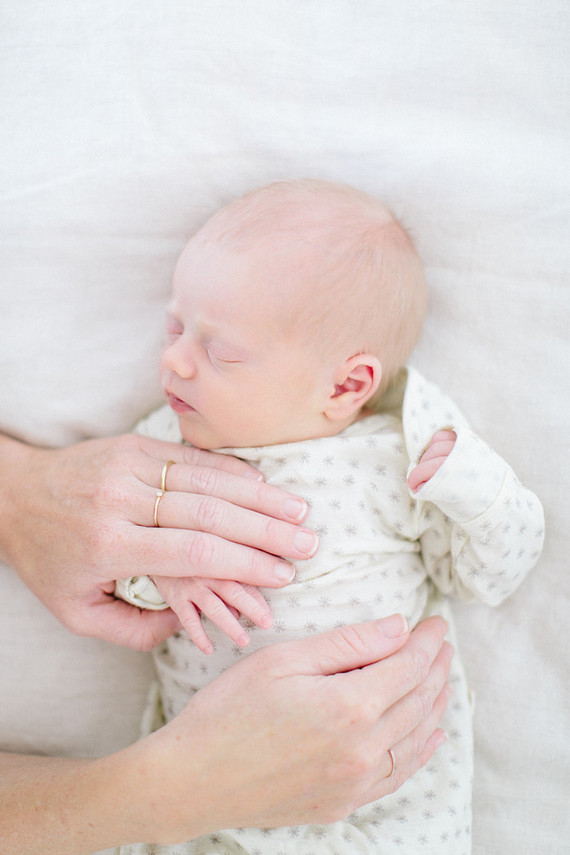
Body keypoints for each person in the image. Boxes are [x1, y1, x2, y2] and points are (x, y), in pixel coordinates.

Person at [115, 179, 545, 854]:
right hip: (207, 795)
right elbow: (102, 560)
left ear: (346, 386)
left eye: (218, 350)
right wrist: (153, 569)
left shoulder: (393, 460)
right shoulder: (163, 448)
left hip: (379, 796)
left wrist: (472, 487)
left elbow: (489, 574)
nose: (172, 359)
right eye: (175, 326)